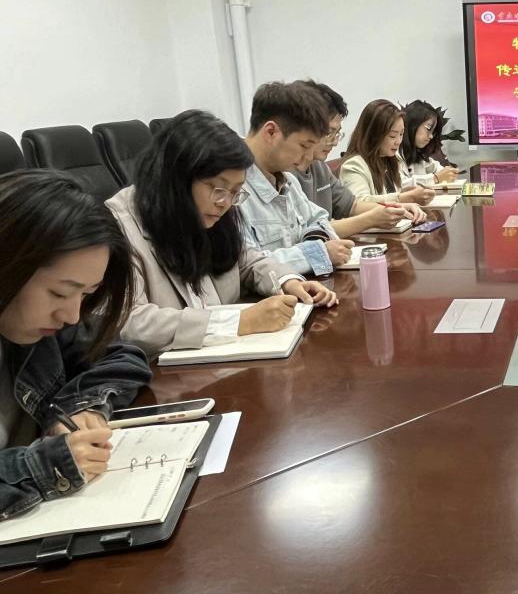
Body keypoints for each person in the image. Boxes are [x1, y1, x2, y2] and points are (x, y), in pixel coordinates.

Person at [107, 110, 338, 359]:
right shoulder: (120, 226)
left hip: (224, 358)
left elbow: (246, 260)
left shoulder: (212, 210)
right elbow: (129, 322)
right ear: (176, 178)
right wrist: (237, 322)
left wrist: (287, 282)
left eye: (235, 192)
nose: (225, 203)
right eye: (218, 189)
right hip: (163, 373)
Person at [0, 169, 150, 519]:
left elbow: (120, 356)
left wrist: (83, 407)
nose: (71, 315)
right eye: (59, 293)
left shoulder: (39, 327)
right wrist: (43, 466)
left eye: (85, 295)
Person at [237, 81, 355, 277]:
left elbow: (319, 221)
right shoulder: (232, 187)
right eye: (304, 146)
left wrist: (315, 242)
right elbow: (247, 265)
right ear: (271, 132)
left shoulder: (287, 180)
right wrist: (316, 254)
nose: (308, 157)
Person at [292, 81, 426, 233]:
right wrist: (374, 217)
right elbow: (306, 231)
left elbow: (352, 205)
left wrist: (398, 207)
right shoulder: (286, 174)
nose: (335, 142)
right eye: (329, 133)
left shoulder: (319, 167)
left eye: (337, 133)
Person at [339, 99, 436, 206]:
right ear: (374, 135)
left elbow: (394, 195)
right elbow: (359, 203)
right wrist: (403, 197)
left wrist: (406, 193)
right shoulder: (353, 166)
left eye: (401, 134)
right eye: (392, 136)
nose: (398, 141)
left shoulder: (389, 160)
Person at [397, 100, 460, 186]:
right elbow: (398, 185)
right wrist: (435, 178)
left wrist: (449, 172)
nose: (431, 136)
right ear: (412, 125)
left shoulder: (418, 155)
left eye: (433, 132)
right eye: (428, 129)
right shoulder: (393, 153)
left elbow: (437, 168)